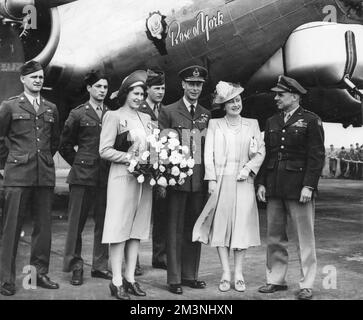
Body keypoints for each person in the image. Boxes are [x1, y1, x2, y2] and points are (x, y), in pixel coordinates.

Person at [256, 75, 325, 300]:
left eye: (280, 94)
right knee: (274, 237)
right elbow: (267, 156)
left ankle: (306, 284)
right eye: (276, 94)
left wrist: (309, 185)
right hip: (275, 186)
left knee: (305, 238)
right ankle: (276, 279)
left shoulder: (311, 120)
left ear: (294, 96)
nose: (276, 98)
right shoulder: (272, 121)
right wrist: (262, 183)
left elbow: (316, 156)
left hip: (299, 189)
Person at [193, 81, 265, 292]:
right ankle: (225, 272)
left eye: (238, 100)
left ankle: (239, 272)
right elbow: (208, 154)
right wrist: (212, 179)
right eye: (230, 101)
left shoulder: (252, 123)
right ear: (223, 105)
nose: (235, 104)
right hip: (222, 180)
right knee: (222, 227)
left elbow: (260, 151)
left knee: (241, 226)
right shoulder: (215, 124)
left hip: (244, 181)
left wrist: (249, 169)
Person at [0, 60, 60, 296]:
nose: (38, 80)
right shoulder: (10, 106)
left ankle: (37, 274)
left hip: (43, 175)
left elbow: (54, 141)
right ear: (23, 79)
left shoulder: (51, 108)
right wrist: (6, 163)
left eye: (41, 77)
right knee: (12, 228)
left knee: (43, 229)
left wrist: (42, 160)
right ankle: (6, 279)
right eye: (33, 77)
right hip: (18, 176)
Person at [99, 70, 152, 300]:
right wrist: (130, 158)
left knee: (136, 230)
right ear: (126, 94)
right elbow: (104, 150)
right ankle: (117, 280)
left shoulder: (147, 119)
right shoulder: (113, 116)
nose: (139, 98)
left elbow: (152, 148)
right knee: (119, 230)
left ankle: (130, 278)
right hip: (122, 178)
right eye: (135, 93)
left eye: (142, 94)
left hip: (143, 181)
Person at [158, 65, 211, 295]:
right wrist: (162, 178)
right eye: (191, 83)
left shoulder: (205, 114)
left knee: (194, 228)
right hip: (175, 182)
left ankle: (190, 275)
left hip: (198, 181)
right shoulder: (168, 111)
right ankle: (174, 278)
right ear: (182, 85)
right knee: (174, 229)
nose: (194, 88)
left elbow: (205, 149)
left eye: (198, 84)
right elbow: (158, 148)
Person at [59, 70, 112, 286]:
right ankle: (75, 266)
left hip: (105, 177)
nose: (102, 90)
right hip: (82, 177)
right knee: (76, 224)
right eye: (98, 86)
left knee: (104, 223)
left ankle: (100, 266)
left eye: (105, 87)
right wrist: (80, 163)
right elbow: (64, 145)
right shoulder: (78, 113)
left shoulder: (111, 114)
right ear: (89, 88)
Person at [138, 68, 168, 271]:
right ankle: (135, 260)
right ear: (147, 89)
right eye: (156, 88)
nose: (160, 92)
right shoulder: (139, 109)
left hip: (161, 170)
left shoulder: (165, 110)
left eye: (163, 88)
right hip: (142, 169)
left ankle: (160, 256)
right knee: (139, 214)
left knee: (162, 213)